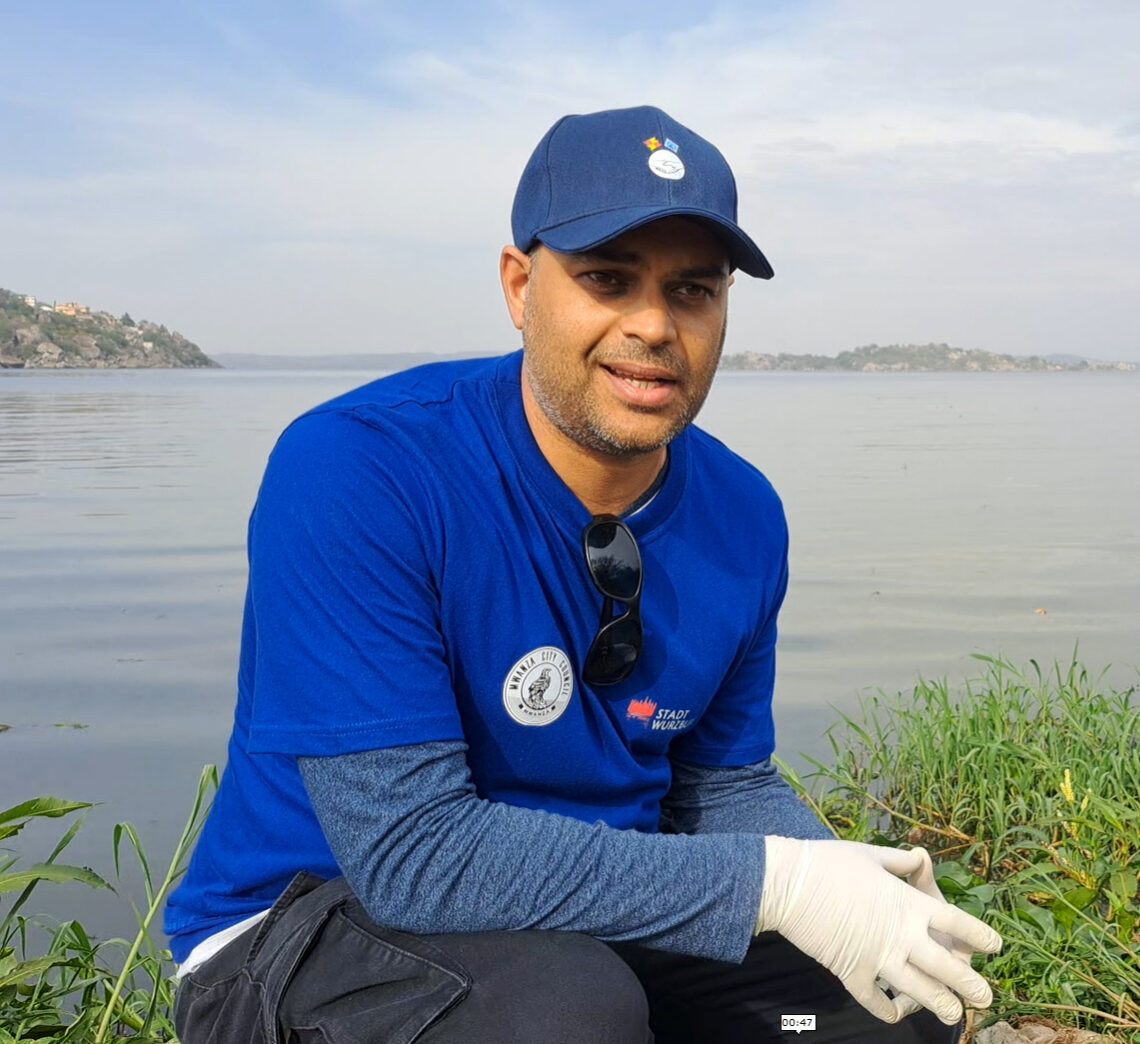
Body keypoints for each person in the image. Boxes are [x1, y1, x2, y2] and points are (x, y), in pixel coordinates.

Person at [163, 105, 1002, 1044]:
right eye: (607, 280)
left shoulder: (744, 514)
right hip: (308, 922)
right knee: (563, 1014)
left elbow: (715, 785)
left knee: (895, 1009)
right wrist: (779, 884)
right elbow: (410, 853)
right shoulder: (359, 469)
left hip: (594, 914)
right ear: (521, 286)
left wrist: (853, 880)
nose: (652, 325)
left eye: (692, 291)